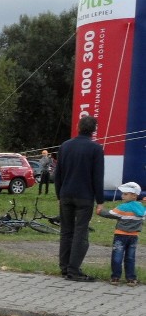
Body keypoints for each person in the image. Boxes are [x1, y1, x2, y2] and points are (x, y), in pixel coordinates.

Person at [55, 115, 104, 282]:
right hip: (84, 196)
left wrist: (58, 195)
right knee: (80, 232)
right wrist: (100, 200)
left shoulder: (65, 146)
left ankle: (64, 266)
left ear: (78, 126)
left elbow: (58, 173)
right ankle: (74, 270)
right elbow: (97, 176)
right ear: (94, 130)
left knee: (66, 231)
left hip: (66, 194)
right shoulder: (96, 149)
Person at [97, 182, 144, 287]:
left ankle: (115, 277)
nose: (122, 196)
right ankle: (131, 278)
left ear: (134, 195)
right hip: (134, 236)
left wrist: (100, 211)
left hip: (120, 235)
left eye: (125, 194)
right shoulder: (141, 208)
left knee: (117, 257)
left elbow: (111, 214)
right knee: (130, 257)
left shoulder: (123, 207)